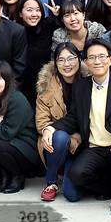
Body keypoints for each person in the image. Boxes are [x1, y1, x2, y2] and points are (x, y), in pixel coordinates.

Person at [52, 39, 111, 213]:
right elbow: (73, 117)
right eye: (92, 57)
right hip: (95, 147)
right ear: (86, 62)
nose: (97, 61)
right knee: (76, 174)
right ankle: (108, 187)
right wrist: (52, 127)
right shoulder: (81, 86)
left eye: (102, 56)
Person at [0, 61, 40, 194]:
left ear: (7, 80)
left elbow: (6, 134)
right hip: (10, 145)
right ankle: (3, 175)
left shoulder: (16, 99)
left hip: (25, 150)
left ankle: (17, 176)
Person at [36, 43, 82, 202]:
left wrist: (78, 135)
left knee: (72, 195)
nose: (66, 64)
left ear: (79, 59)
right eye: (61, 60)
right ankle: (51, 182)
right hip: (56, 143)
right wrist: (48, 130)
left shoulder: (89, 82)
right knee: (61, 137)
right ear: (55, 63)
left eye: (71, 58)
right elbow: (42, 122)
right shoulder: (46, 86)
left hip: (82, 145)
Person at [16, 0, 56, 102]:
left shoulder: (48, 25)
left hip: (47, 86)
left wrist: (59, 15)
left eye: (38, 10)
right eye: (29, 10)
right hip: (23, 88)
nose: (34, 14)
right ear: (20, 13)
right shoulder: (15, 32)